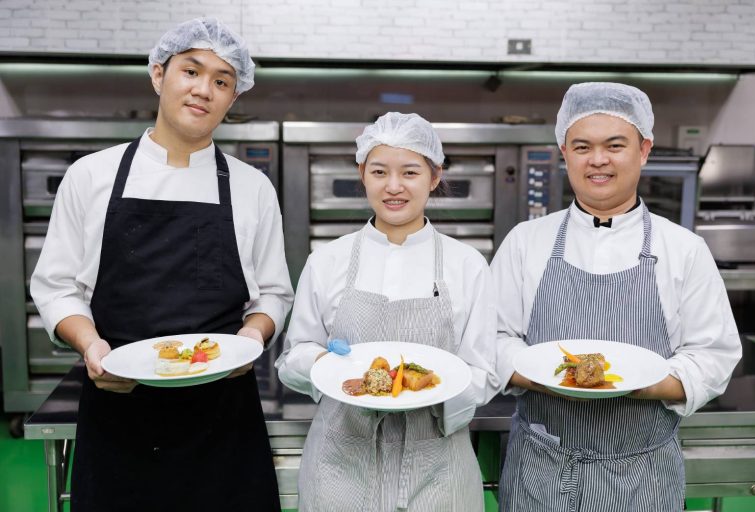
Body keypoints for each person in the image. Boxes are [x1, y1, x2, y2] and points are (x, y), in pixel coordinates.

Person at [30, 18, 293, 512]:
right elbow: (56, 287)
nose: (204, 90)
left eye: (221, 81)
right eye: (191, 71)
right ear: (158, 74)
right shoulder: (91, 175)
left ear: (233, 97)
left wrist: (251, 339)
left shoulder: (252, 187)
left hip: (223, 418)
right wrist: (91, 346)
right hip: (118, 408)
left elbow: (274, 293)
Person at [492, 82, 742, 512]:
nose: (598, 160)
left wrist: (641, 385)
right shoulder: (525, 242)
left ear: (644, 150)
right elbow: (491, 339)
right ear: (564, 153)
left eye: (614, 145)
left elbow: (713, 355)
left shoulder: (683, 249)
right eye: (582, 147)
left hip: (642, 479)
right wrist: (549, 378)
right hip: (540, 473)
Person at [276, 112, 499, 511]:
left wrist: (433, 389)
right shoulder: (327, 260)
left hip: (437, 469)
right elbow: (294, 357)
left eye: (410, 172)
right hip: (341, 467)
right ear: (362, 174)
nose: (393, 186)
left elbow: (482, 371)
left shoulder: (468, 265)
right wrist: (325, 363)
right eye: (379, 171)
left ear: (434, 176)